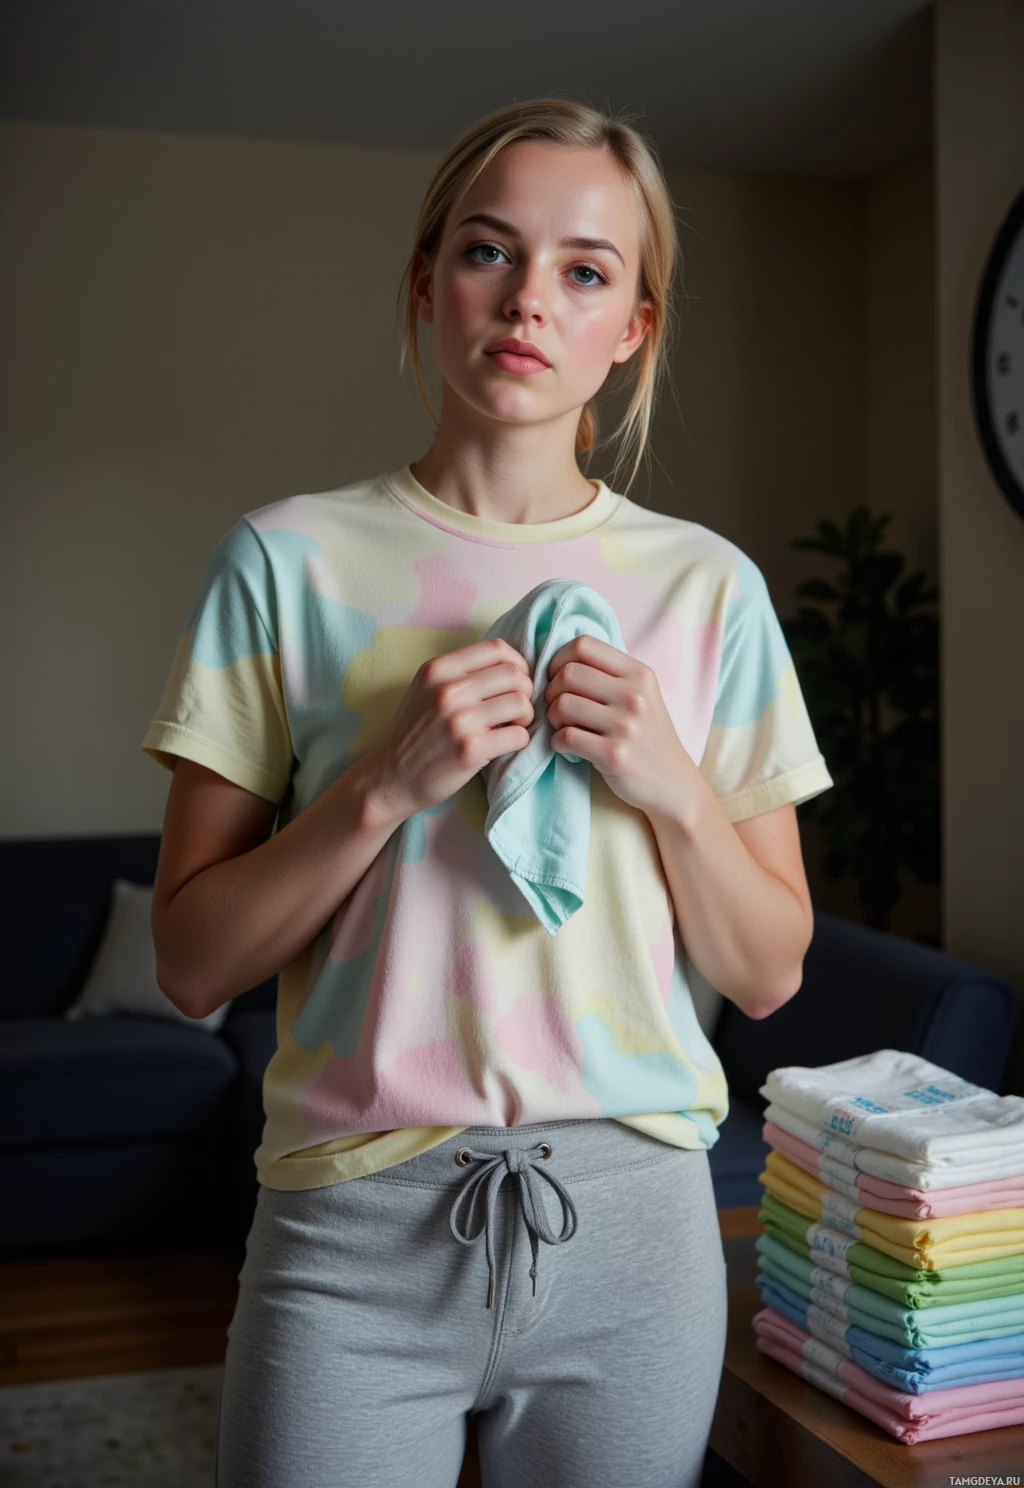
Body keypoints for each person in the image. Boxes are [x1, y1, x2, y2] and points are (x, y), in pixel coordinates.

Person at [143, 95, 833, 1488]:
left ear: (633, 326)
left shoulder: (712, 591)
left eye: (586, 269)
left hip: (635, 1231)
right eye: (488, 252)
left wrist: (675, 789)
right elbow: (188, 963)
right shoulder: (282, 565)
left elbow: (767, 975)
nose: (529, 299)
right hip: (350, 1233)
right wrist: (385, 788)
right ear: (426, 283)